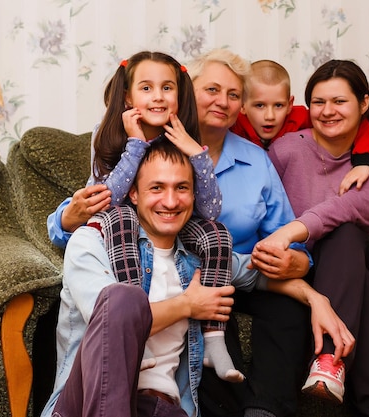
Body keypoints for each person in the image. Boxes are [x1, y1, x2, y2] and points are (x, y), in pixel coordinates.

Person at [48, 50, 242, 382]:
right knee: (123, 218)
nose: (158, 97)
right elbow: (111, 200)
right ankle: (134, 333)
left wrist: (196, 154)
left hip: (170, 228)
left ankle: (213, 339)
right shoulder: (107, 134)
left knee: (218, 232)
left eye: (167, 88)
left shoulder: (183, 139)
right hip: (119, 221)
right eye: (147, 88)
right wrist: (136, 144)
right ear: (127, 96)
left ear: (180, 97)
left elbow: (208, 210)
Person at [187, 49, 355, 417]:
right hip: (199, 278)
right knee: (208, 321)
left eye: (233, 95)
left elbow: (287, 234)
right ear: (189, 89)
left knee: (289, 313)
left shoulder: (256, 159)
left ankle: (265, 411)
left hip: (258, 276)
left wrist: (296, 261)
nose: (224, 101)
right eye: (212, 90)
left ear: (240, 106)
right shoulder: (164, 153)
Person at [41, 137, 255, 417]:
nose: (170, 201)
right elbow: (111, 322)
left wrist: (316, 298)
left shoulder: (199, 258)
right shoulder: (91, 242)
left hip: (162, 408)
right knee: (123, 298)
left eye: (182, 188)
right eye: (157, 188)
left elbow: (259, 271)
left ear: (194, 196)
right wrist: (188, 305)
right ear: (134, 194)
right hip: (83, 404)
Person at [263, 60, 369, 416]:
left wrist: (290, 231)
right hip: (306, 265)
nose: (327, 111)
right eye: (319, 102)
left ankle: (326, 355)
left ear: (364, 103)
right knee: (360, 290)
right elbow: (264, 206)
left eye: (339, 101)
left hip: (360, 254)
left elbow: (352, 209)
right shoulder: (285, 149)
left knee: (344, 232)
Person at [231, 59, 369, 195]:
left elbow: (359, 124)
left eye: (278, 105)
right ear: (242, 105)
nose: (270, 116)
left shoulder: (299, 117)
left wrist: (362, 162)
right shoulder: (233, 123)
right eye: (259, 105)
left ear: (290, 105)